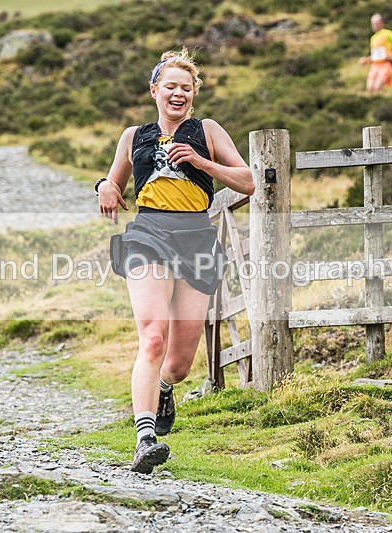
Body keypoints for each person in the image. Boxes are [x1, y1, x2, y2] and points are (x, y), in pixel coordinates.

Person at [97, 49, 255, 474]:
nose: (178, 94)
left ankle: (166, 387)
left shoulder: (208, 130)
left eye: (186, 88)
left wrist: (201, 161)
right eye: (170, 87)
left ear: (194, 94)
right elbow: (114, 178)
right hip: (149, 234)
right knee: (152, 336)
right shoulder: (134, 136)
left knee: (181, 363)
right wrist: (105, 187)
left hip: (197, 238)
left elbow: (248, 181)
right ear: (155, 91)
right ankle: (144, 437)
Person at [359, 13, 392, 93]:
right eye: (373, 23)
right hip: (375, 65)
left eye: (376, 23)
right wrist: (366, 60)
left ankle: (386, 100)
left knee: (377, 87)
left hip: (385, 64)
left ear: (382, 23)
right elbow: (375, 55)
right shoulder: (373, 38)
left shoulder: (388, 33)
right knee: (370, 88)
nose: (374, 25)